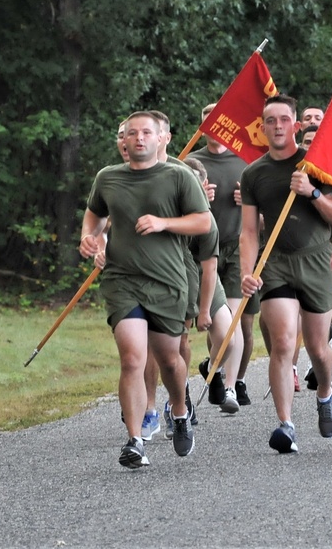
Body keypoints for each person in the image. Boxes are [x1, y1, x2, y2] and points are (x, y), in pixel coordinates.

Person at [80, 111, 212, 468]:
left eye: (146, 133)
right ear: (123, 141)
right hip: (122, 280)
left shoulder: (179, 176)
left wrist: (163, 222)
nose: (138, 138)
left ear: (161, 139)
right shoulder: (107, 178)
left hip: (167, 282)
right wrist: (89, 238)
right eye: (132, 133)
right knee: (133, 358)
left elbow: (203, 222)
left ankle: (180, 409)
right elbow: (94, 214)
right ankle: (135, 440)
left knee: (170, 360)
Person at [240, 94, 332, 453]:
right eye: (271, 120)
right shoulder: (254, 173)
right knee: (283, 343)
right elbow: (249, 231)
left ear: (296, 126)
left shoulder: (317, 164)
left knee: (317, 347)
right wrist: (247, 271)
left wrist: (312, 191)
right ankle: (285, 424)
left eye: (285, 119)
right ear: (263, 127)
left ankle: (326, 391)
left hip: (317, 260)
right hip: (276, 261)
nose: (278, 126)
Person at [189, 102, 258, 406]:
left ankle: (230, 385)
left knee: (234, 321)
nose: (212, 127)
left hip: (237, 245)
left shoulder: (246, 161)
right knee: (217, 320)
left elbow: (266, 213)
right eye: (207, 121)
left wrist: (249, 201)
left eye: (218, 120)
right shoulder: (190, 161)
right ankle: (214, 368)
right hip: (202, 250)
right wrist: (198, 198)